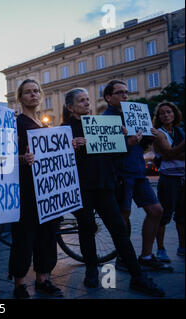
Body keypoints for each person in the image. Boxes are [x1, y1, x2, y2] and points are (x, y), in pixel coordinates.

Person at [61, 87, 165, 297]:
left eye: (88, 99)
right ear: (70, 106)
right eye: (81, 100)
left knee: (118, 228)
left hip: (104, 185)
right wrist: (69, 146)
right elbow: (58, 158)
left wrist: (128, 142)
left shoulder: (100, 125)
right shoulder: (63, 129)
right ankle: (91, 270)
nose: (87, 103)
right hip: (81, 188)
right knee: (86, 228)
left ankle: (138, 276)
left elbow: (115, 153)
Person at [102, 80, 172, 272]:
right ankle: (124, 259)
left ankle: (146, 256)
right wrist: (128, 142)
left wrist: (149, 136)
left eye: (127, 92)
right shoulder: (105, 119)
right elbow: (106, 151)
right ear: (108, 97)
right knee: (123, 217)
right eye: (120, 93)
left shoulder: (132, 115)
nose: (126, 95)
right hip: (121, 174)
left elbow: (141, 146)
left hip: (138, 171)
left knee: (156, 211)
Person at [8, 79, 63, 299]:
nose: (33, 95)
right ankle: (20, 284)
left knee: (47, 235)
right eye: (28, 92)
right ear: (20, 97)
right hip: (26, 190)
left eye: (36, 91)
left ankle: (43, 279)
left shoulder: (44, 124)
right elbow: (4, 155)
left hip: (46, 191)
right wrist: (22, 158)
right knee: (24, 235)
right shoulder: (15, 123)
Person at [150, 102, 185, 261]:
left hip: (183, 177)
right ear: (159, 117)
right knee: (164, 215)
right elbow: (168, 154)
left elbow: (169, 155)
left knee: (182, 216)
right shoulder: (158, 133)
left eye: (169, 112)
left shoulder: (180, 131)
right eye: (162, 113)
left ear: (174, 114)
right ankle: (161, 249)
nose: (166, 115)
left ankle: (182, 247)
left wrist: (169, 155)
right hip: (168, 179)